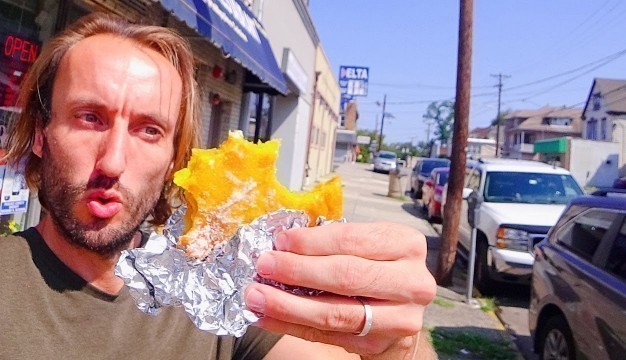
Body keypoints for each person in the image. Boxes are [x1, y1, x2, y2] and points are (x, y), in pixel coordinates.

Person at [0, 13, 436, 360]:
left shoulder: (224, 294)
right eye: (89, 118)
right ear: (40, 134)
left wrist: (397, 346)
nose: (112, 161)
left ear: (174, 159)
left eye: (149, 130)